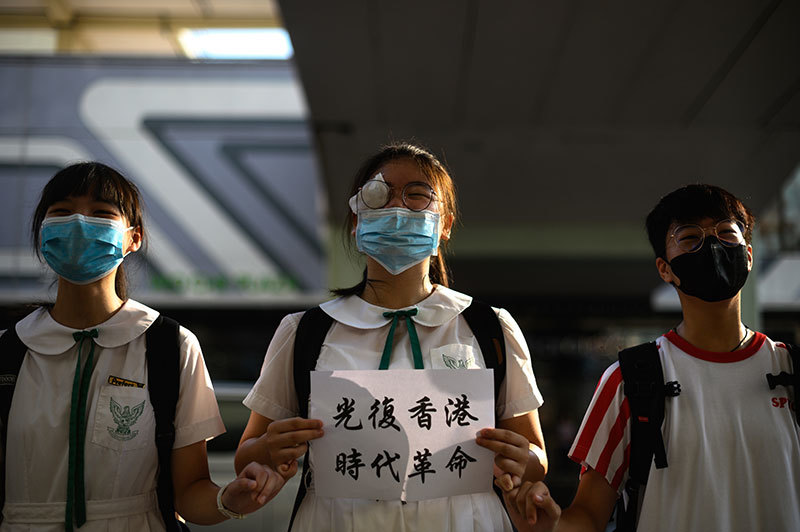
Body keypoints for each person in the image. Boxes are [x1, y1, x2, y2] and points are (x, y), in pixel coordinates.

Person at [234, 142, 547, 531]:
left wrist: (520, 459)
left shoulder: (489, 326)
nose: (397, 207)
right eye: (378, 195)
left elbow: (536, 456)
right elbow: (248, 453)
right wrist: (269, 448)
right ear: (356, 219)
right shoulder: (305, 331)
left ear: (445, 224)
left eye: (417, 195)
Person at [0, 162, 286, 531]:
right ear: (42, 234)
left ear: (133, 238)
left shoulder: (170, 345)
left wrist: (229, 501)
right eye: (62, 212)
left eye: (101, 213)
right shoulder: (11, 350)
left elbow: (190, 495)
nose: (79, 224)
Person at [501, 184, 800, 532]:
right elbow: (587, 517)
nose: (713, 245)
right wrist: (548, 525)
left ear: (748, 255)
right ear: (665, 268)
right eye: (690, 237)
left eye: (725, 232)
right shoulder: (630, 380)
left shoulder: (791, 370)